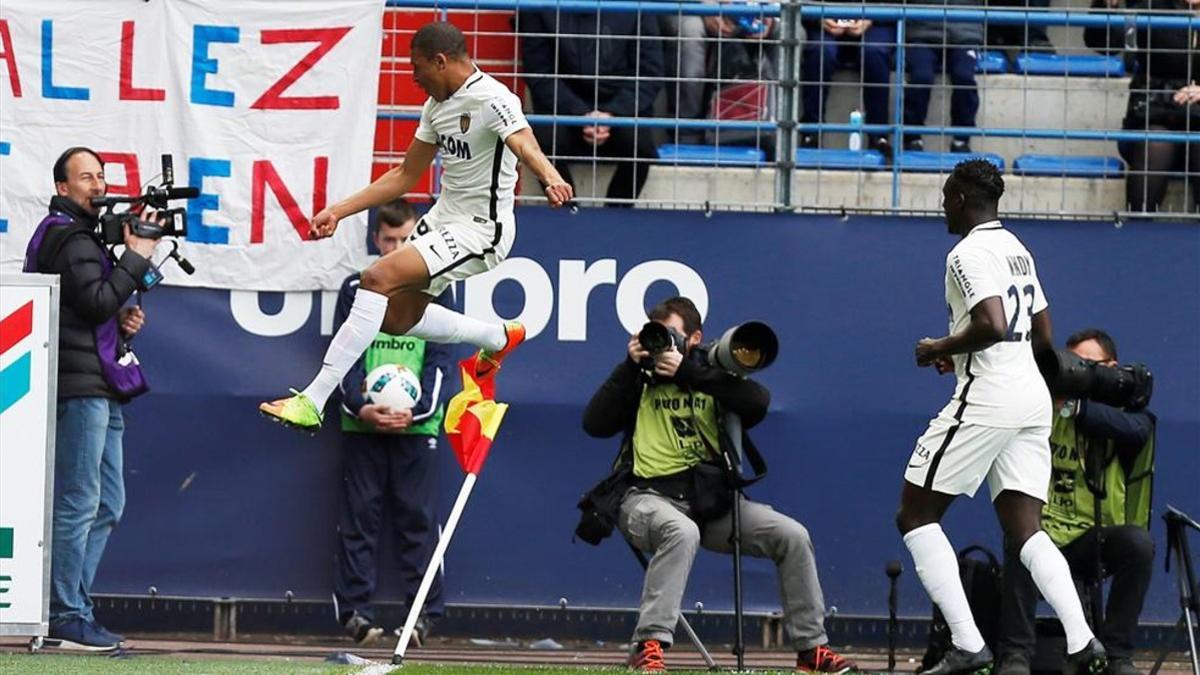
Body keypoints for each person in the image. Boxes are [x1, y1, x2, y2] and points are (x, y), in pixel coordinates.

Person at [260, 22, 572, 431]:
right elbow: (406, 174)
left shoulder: (494, 99)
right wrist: (339, 209)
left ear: (441, 61)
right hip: (443, 220)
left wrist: (549, 176)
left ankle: (313, 400)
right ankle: (496, 337)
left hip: (482, 230)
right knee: (394, 319)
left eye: (417, 66)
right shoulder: (436, 106)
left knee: (375, 277)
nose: (413, 76)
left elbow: (522, 141)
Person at [896, 159, 1107, 675]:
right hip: (1031, 397)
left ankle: (968, 644)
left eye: (947, 195)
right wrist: (965, 354)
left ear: (962, 199)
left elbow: (990, 324)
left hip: (988, 396)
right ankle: (1084, 643)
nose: (943, 205)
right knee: (1026, 529)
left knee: (915, 515)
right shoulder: (1017, 248)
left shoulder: (965, 253)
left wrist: (939, 347)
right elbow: (1040, 337)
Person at [582, 297, 857, 673]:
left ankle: (811, 651)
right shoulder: (637, 378)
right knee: (680, 532)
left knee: (792, 536)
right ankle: (648, 647)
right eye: (656, 334)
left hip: (708, 506)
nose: (663, 343)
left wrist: (688, 373)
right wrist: (629, 367)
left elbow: (757, 402)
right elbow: (594, 424)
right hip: (645, 499)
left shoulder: (709, 373)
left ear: (694, 338)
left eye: (672, 335)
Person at [22, 147, 159, 650]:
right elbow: (97, 297)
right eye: (86, 177)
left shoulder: (81, 238)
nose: (98, 185)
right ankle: (64, 614)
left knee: (107, 503)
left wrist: (122, 320)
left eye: (101, 175)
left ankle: (73, 607)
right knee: (81, 501)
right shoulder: (69, 235)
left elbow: (96, 306)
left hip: (98, 383)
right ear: (63, 187)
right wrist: (136, 258)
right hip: (79, 386)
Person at [996, 329, 1155, 675]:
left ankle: (1117, 657)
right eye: (1071, 365)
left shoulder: (1120, 412)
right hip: (1043, 533)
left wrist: (1074, 407)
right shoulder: (1040, 404)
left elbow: (1138, 430)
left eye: (1086, 365)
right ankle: (1016, 657)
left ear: (1110, 368)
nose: (1076, 373)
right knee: (1019, 539)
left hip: (1093, 539)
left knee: (1138, 545)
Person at [331, 200, 452, 646]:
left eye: (405, 239)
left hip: (416, 428)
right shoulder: (355, 288)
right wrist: (359, 406)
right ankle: (355, 614)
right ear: (376, 240)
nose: (397, 247)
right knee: (358, 518)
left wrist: (416, 411)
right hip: (362, 423)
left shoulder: (437, 287)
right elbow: (343, 355)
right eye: (389, 240)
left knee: (418, 519)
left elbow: (441, 360)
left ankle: (422, 616)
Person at [518, 8, 663, 206]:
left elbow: (649, 74)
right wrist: (580, 114)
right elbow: (539, 74)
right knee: (542, 140)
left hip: (619, 113)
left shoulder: (636, 8)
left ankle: (617, 214)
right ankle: (568, 212)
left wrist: (613, 113)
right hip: (564, 112)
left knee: (641, 146)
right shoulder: (541, 9)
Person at [1085, 0, 1200, 212]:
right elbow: (1103, 43)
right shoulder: (1152, 5)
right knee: (1156, 144)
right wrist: (1106, 6)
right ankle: (1138, 232)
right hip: (1155, 113)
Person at [800, 5, 895, 155]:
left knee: (874, 52)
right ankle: (811, 134)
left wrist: (871, 18)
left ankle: (878, 136)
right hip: (823, 16)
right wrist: (818, 18)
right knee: (820, 51)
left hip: (876, 18)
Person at [902, 0, 983, 154]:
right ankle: (912, 138)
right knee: (921, 76)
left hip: (965, 33)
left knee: (964, 76)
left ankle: (961, 139)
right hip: (921, 32)